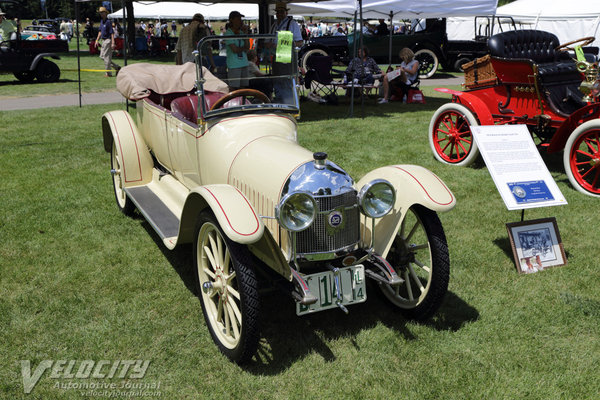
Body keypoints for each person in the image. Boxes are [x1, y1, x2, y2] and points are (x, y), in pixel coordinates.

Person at [270, 1, 304, 103]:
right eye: (278, 12)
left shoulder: (292, 24)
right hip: (275, 57)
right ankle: (280, 102)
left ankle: (289, 103)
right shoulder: (274, 25)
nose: (279, 14)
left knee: (287, 81)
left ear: (286, 13)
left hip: (287, 57)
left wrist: (282, 45)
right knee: (277, 80)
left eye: (281, 11)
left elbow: (299, 42)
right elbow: (269, 40)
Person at [224, 11, 250, 89]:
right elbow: (234, 49)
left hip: (244, 63)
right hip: (234, 65)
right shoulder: (228, 33)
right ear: (231, 20)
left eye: (240, 19)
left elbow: (248, 46)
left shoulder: (241, 32)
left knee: (243, 88)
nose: (240, 21)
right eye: (238, 18)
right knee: (234, 88)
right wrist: (243, 48)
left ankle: (243, 101)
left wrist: (245, 33)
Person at [95, 6, 121, 77]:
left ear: (105, 13)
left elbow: (111, 33)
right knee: (102, 57)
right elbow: (100, 31)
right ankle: (117, 67)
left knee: (106, 57)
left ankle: (108, 73)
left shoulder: (108, 22)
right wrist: (97, 40)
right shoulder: (101, 21)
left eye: (102, 12)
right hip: (103, 41)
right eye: (100, 13)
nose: (101, 14)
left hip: (108, 40)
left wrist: (113, 43)